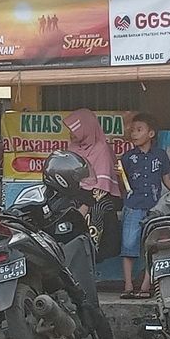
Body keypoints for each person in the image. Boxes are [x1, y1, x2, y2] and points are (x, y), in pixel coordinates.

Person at [120, 112, 170, 298]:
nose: (134, 133)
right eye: (132, 130)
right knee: (128, 246)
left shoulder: (160, 156)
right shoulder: (127, 157)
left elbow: (167, 180)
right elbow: (123, 185)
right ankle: (128, 286)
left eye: (139, 130)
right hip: (133, 206)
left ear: (151, 134)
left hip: (154, 208)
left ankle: (145, 286)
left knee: (151, 246)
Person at [66, 108, 123, 258]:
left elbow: (101, 187)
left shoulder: (101, 149)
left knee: (96, 211)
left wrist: (84, 208)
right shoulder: (72, 148)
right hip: (78, 194)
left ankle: (90, 254)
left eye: (74, 130)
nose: (71, 134)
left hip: (100, 197)